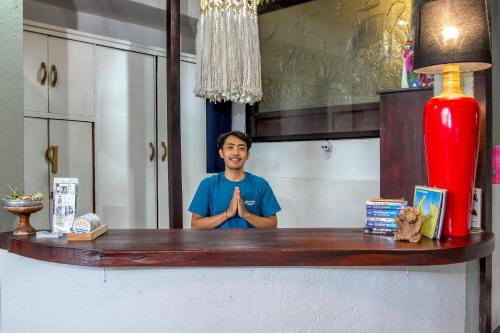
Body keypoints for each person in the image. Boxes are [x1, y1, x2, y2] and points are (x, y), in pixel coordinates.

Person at [189, 131, 281, 229]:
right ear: (221, 153)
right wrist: (228, 213)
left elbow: (272, 224)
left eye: (241, 148)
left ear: (247, 155)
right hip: (217, 244)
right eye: (230, 147)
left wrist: (246, 214)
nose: (236, 152)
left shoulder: (260, 184)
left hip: (253, 244)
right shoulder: (208, 185)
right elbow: (195, 225)